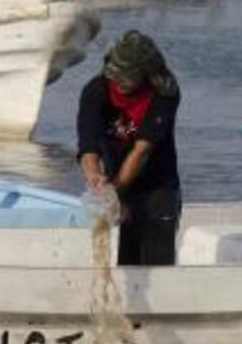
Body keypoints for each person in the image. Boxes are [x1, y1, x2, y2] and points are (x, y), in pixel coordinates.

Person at [77, 30, 181, 266]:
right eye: (117, 75)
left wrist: (116, 188)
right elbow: (88, 147)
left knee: (157, 263)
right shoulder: (95, 91)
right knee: (123, 261)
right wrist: (95, 177)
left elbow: (142, 150)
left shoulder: (165, 92)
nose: (120, 82)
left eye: (128, 76)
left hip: (158, 184)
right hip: (114, 181)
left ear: (145, 73)